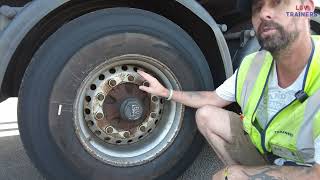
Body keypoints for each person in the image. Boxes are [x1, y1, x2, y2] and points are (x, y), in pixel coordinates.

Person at [138, 0, 320, 179]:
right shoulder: (255, 64)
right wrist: (166, 92)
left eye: (277, 3)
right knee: (206, 115)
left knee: (231, 176)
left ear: (305, 9)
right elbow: (213, 98)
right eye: (257, 8)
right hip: (271, 154)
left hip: (310, 168)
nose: (264, 13)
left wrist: (242, 175)